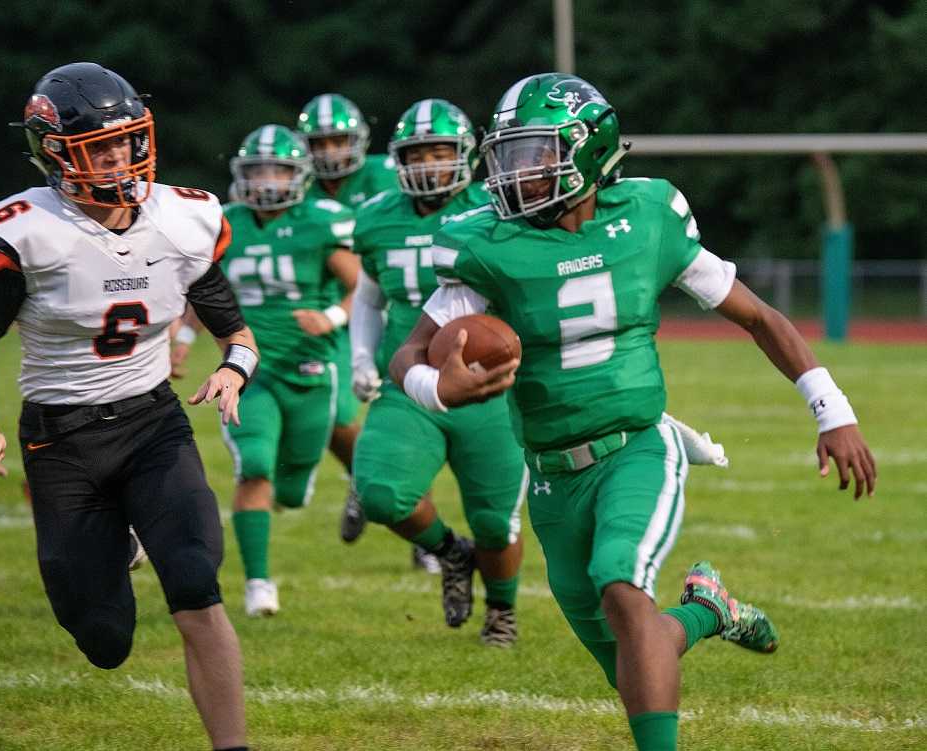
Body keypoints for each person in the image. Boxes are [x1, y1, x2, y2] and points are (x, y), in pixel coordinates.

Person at [390, 73, 876, 751]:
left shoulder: (647, 218)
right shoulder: (487, 243)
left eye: (534, 155)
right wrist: (437, 389)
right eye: (508, 155)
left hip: (637, 449)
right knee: (634, 658)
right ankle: (709, 610)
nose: (515, 174)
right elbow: (408, 352)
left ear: (589, 154)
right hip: (552, 477)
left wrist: (833, 410)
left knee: (620, 582)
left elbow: (759, 316)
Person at [0, 62, 253, 751]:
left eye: (128, 140)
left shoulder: (186, 218)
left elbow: (237, 335)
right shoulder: (25, 232)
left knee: (197, 588)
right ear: (55, 152)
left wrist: (235, 370)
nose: (121, 157)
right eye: (101, 146)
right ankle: (118, 543)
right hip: (63, 442)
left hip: (154, 424)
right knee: (105, 638)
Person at [349, 99, 527, 645]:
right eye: (417, 154)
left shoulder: (500, 209)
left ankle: (501, 611)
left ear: (466, 156)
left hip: (491, 389)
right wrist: (360, 356)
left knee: (498, 522)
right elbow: (369, 295)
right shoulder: (378, 216)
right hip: (410, 385)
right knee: (380, 492)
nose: (427, 164)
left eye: (439, 152)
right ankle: (451, 552)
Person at [173, 124, 360, 617]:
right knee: (254, 465)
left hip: (311, 366)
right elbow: (205, 291)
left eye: (276, 169)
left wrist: (333, 317)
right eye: (256, 171)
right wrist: (187, 337)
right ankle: (258, 583)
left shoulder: (321, 222)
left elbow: (361, 286)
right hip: (247, 366)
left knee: (294, 492)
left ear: (297, 175)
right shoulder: (225, 221)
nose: (265, 180)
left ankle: (295, 486)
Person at [296, 94, 437, 570]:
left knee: (412, 414)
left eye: (338, 139)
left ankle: (422, 535)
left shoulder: (388, 174)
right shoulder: (297, 185)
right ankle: (361, 477)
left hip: (392, 304)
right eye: (321, 141)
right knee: (336, 417)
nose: (331, 150)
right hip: (325, 310)